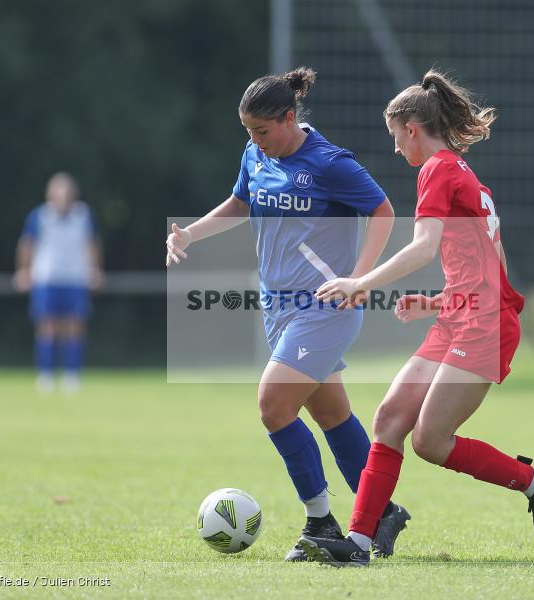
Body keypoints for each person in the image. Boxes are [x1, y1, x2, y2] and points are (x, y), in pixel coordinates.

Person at [298, 70, 534, 567]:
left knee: (430, 441)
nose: (397, 148)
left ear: (412, 128)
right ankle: (358, 543)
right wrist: (440, 302)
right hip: (465, 316)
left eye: (396, 137)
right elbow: (489, 265)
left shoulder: (437, 170)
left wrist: (360, 282)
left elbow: (424, 247)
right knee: (389, 419)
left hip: (484, 325)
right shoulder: (462, 172)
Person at [165, 67, 412, 561]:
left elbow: (382, 211)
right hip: (278, 308)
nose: (255, 140)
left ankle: (320, 520)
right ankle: (384, 513)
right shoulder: (255, 154)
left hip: (325, 308)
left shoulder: (329, 162)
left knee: (273, 405)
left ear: (288, 117)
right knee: (331, 413)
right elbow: (240, 203)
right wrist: (190, 233)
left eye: (262, 130)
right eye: (248, 131)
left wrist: (360, 279)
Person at [14, 172, 103, 393]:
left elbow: (91, 243)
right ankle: (46, 375)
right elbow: (27, 245)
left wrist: (94, 270)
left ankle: (72, 375)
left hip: (75, 277)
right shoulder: (40, 216)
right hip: (47, 277)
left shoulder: (83, 215)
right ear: (51, 194)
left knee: (74, 327)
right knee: (47, 327)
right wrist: (24, 271)